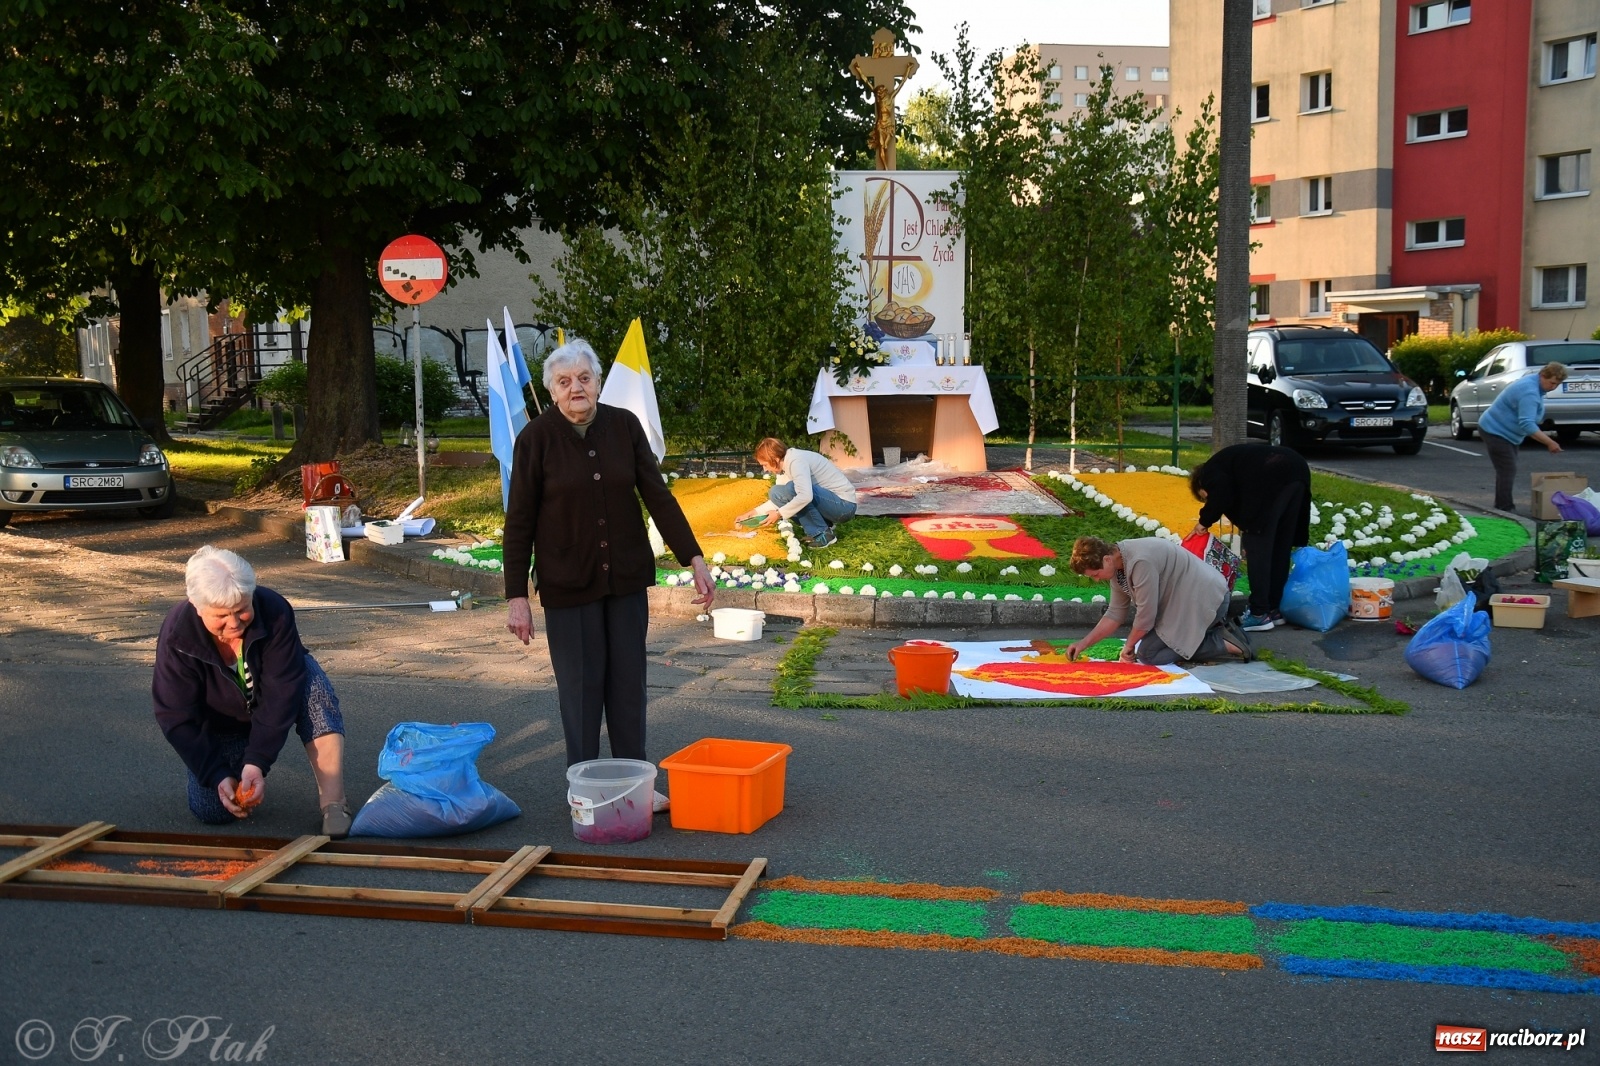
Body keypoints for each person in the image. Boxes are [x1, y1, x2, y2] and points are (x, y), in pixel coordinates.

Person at [502, 339, 714, 808]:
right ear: (552, 391)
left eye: (584, 378)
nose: (576, 388)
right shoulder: (535, 438)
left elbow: (658, 496)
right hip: (566, 583)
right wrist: (516, 595)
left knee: (627, 686)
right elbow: (518, 521)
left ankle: (635, 787)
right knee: (580, 691)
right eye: (565, 381)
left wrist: (693, 557)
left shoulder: (624, 426)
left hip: (624, 579)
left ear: (597, 382)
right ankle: (585, 789)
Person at [153, 546, 351, 837]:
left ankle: (334, 803)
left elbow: (282, 690)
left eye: (242, 609)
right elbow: (176, 715)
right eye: (221, 615)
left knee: (312, 685)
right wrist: (216, 773)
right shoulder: (177, 637)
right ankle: (224, 770)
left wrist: (257, 761)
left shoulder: (274, 610)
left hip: (269, 700)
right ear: (196, 606)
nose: (234, 623)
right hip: (221, 723)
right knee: (212, 811)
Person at [1063, 536, 1252, 666]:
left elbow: (1146, 616)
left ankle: (1223, 642)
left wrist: (1128, 647)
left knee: (1148, 654)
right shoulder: (1117, 565)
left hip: (1208, 600)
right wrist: (1083, 644)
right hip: (1183, 605)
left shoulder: (1139, 561)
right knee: (1148, 647)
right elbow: (1115, 613)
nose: (1097, 579)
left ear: (1106, 560)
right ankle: (1215, 630)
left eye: (1096, 574)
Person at [1187, 444, 1312, 632]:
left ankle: (1259, 614)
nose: (1208, 501)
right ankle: (1273, 609)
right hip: (1297, 470)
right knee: (1280, 549)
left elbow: (1222, 494)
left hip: (1272, 478)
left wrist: (1204, 522)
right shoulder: (1230, 464)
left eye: (1205, 498)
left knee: (1258, 550)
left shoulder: (1210, 472)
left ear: (1201, 486)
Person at [734, 437, 858, 548]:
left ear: (775, 459)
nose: (765, 469)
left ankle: (823, 534)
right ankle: (824, 527)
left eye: (765, 465)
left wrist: (779, 514)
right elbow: (780, 498)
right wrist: (751, 514)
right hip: (833, 504)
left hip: (844, 506)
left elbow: (805, 496)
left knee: (793, 489)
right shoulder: (786, 464)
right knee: (776, 492)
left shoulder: (795, 461)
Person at [1478, 362, 1567, 512]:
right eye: (1552, 383)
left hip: (1507, 432)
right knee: (1507, 469)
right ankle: (1504, 508)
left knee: (1506, 469)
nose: (1553, 387)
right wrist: (1550, 442)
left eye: (1557, 385)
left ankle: (1502, 506)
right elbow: (1527, 424)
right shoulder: (1529, 392)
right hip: (1495, 430)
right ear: (1543, 376)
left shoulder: (1535, 383)